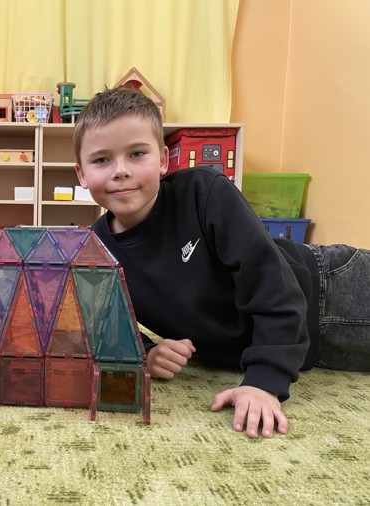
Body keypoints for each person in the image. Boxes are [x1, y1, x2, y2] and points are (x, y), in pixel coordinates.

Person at [72, 87, 370, 439]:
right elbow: (111, 325)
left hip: (328, 289)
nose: (121, 171)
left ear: (164, 159)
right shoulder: (94, 252)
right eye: (101, 160)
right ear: (81, 174)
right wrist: (147, 354)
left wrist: (263, 381)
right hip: (309, 353)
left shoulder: (204, 191)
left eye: (137, 154)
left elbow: (272, 283)